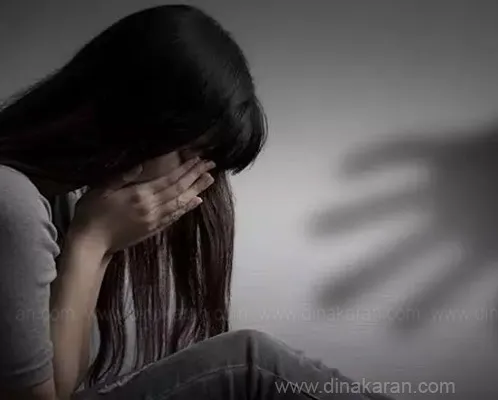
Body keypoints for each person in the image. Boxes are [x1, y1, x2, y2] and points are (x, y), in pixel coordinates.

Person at [0, 5, 391, 400]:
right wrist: (91, 241)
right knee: (251, 365)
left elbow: (63, 382)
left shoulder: (64, 202)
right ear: (131, 117)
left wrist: (98, 243)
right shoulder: (13, 202)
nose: (196, 187)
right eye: (190, 155)